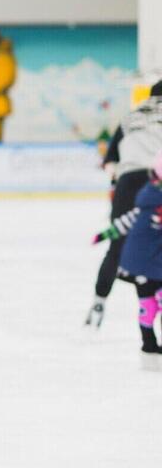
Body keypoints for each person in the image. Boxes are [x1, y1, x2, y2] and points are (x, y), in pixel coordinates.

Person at [86, 80, 162, 328]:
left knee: (117, 246)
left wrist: (119, 181)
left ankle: (99, 301)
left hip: (127, 182)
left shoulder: (130, 117)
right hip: (157, 182)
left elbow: (109, 162)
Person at [92, 150, 162, 371]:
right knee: (151, 305)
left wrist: (105, 234)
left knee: (148, 305)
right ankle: (149, 348)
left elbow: (126, 221)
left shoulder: (147, 198)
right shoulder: (153, 203)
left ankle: (148, 348)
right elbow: (130, 222)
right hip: (147, 265)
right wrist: (105, 235)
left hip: (141, 264)